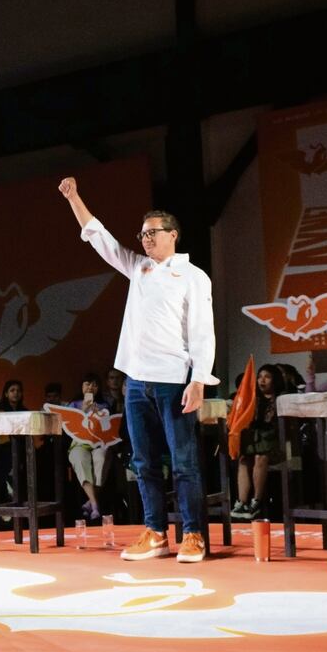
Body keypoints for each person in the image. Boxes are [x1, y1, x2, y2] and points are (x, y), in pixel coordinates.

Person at [58, 177, 219, 564]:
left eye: (152, 233)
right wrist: (75, 198)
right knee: (144, 462)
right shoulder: (139, 268)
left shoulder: (193, 276)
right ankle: (155, 533)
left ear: (173, 235)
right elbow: (101, 239)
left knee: (183, 462)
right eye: (142, 234)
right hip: (137, 381)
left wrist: (199, 379)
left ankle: (193, 534)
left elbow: (202, 331)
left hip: (173, 380)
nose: (145, 239)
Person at [232, 364, 285, 520]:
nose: (262, 380)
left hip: (274, 445)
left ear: (275, 380)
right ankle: (241, 502)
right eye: (260, 377)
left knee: (260, 457)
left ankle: (256, 501)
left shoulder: (281, 399)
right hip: (254, 443)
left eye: (267, 377)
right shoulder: (253, 398)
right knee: (243, 459)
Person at [67, 373, 111, 520]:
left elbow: (107, 428)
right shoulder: (73, 405)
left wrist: (99, 415)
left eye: (94, 384)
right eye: (87, 384)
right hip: (79, 444)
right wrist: (83, 410)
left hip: (98, 443)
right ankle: (94, 504)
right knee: (80, 459)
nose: (90, 387)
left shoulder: (104, 406)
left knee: (102, 458)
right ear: (82, 386)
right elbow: (68, 427)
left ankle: (90, 503)